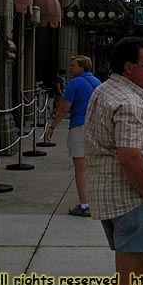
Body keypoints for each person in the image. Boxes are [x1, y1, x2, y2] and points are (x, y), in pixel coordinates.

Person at [84, 38, 143, 285]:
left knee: (127, 274)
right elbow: (129, 156)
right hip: (135, 200)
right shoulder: (129, 103)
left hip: (115, 197)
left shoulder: (106, 90)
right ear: (128, 67)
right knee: (140, 276)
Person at [46, 55, 101, 217]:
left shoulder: (75, 83)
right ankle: (94, 200)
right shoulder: (97, 82)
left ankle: (84, 204)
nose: (71, 68)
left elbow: (64, 108)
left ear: (82, 67)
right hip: (96, 126)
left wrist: (52, 127)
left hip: (80, 125)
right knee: (93, 167)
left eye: (73, 65)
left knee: (80, 167)